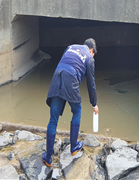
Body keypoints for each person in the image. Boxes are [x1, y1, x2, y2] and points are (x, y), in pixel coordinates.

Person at [42, 38, 99, 167]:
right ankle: (74, 147)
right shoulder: (89, 58)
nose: (93, 56)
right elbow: (91, 84)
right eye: (93, 53)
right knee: (77, 110)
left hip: (57, 78)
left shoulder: (71, 46)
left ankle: (48, 158)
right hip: (71, 80)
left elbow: (64, 64)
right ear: (91, 50)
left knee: (53, 120)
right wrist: (94, 104)